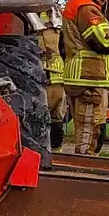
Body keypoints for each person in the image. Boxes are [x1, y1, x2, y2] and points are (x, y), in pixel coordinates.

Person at [62, 0, 109, 155]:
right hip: (88, 78)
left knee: (93, 129)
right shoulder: (86, 9)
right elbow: (102, 42)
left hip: (83, 76)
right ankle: (83, 170)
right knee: (88, 131)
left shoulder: (79, 4)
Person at [36, 10, 67, 152]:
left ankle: (50, 150)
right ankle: (54, 151)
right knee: (54, 117)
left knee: (48, 117)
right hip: (53, 76)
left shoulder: (33, 19)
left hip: (45, 76)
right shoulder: (58, 20)